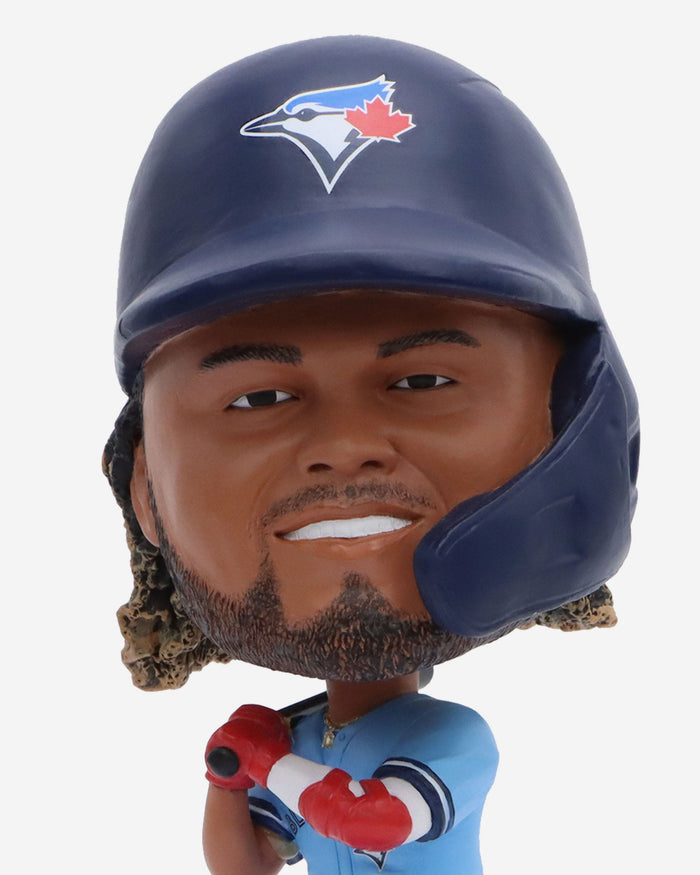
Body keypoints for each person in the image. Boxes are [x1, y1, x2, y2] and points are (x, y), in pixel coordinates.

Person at [104, 36, 638, 874]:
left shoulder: (449, 737)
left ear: (566, 429)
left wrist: (261, 757)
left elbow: (373, 820)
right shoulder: (305, 737)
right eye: (257, 399)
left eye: (423, 380)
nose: (344, 447)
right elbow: (246, 862)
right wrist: (226, 774)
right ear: (146, 488)